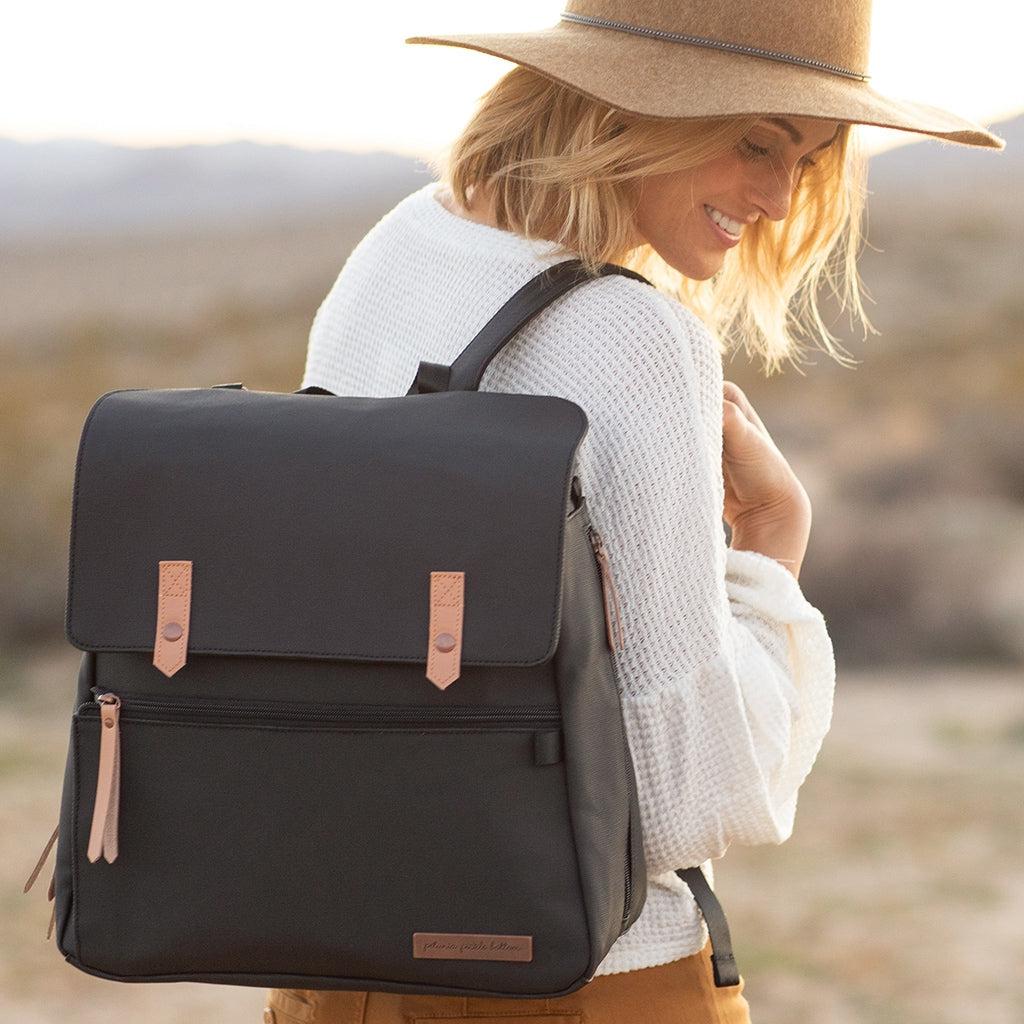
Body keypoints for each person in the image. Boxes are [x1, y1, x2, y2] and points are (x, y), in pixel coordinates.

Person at [263, 3, 1004, 1022]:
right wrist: (772, 547)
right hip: (576, 980)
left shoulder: (401, 246)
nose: (782, 199)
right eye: (754, 143)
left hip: (339, 962)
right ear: (630, 105)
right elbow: (688, 797)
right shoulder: (633, 336)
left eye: (812, 158)